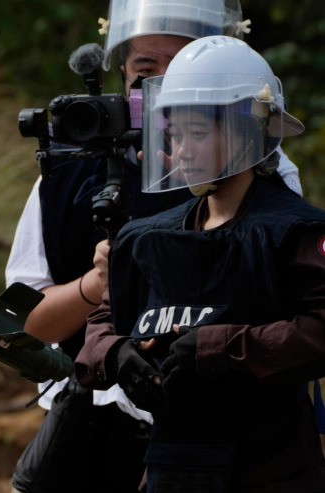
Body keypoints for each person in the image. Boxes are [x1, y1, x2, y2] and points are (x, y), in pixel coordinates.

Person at [6, 1, 303, 492]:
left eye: (185, 65)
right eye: (145, 69)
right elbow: (25, 322)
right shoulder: (66, 175)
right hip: (95, 431)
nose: (165, 86)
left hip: (228, 437)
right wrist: (97, 284)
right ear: (120, 72)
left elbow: (288, 305)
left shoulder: (263, 166)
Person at [75, 34, 325, 492]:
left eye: (197, 133)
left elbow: (320, 331)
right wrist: (117, 355)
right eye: (174, 133)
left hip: (269, 470)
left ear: (248, 131)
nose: (181, 149)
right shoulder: (145, 238)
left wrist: (216, 349)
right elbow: (101, 323)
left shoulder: (295, 230)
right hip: (171, 468)